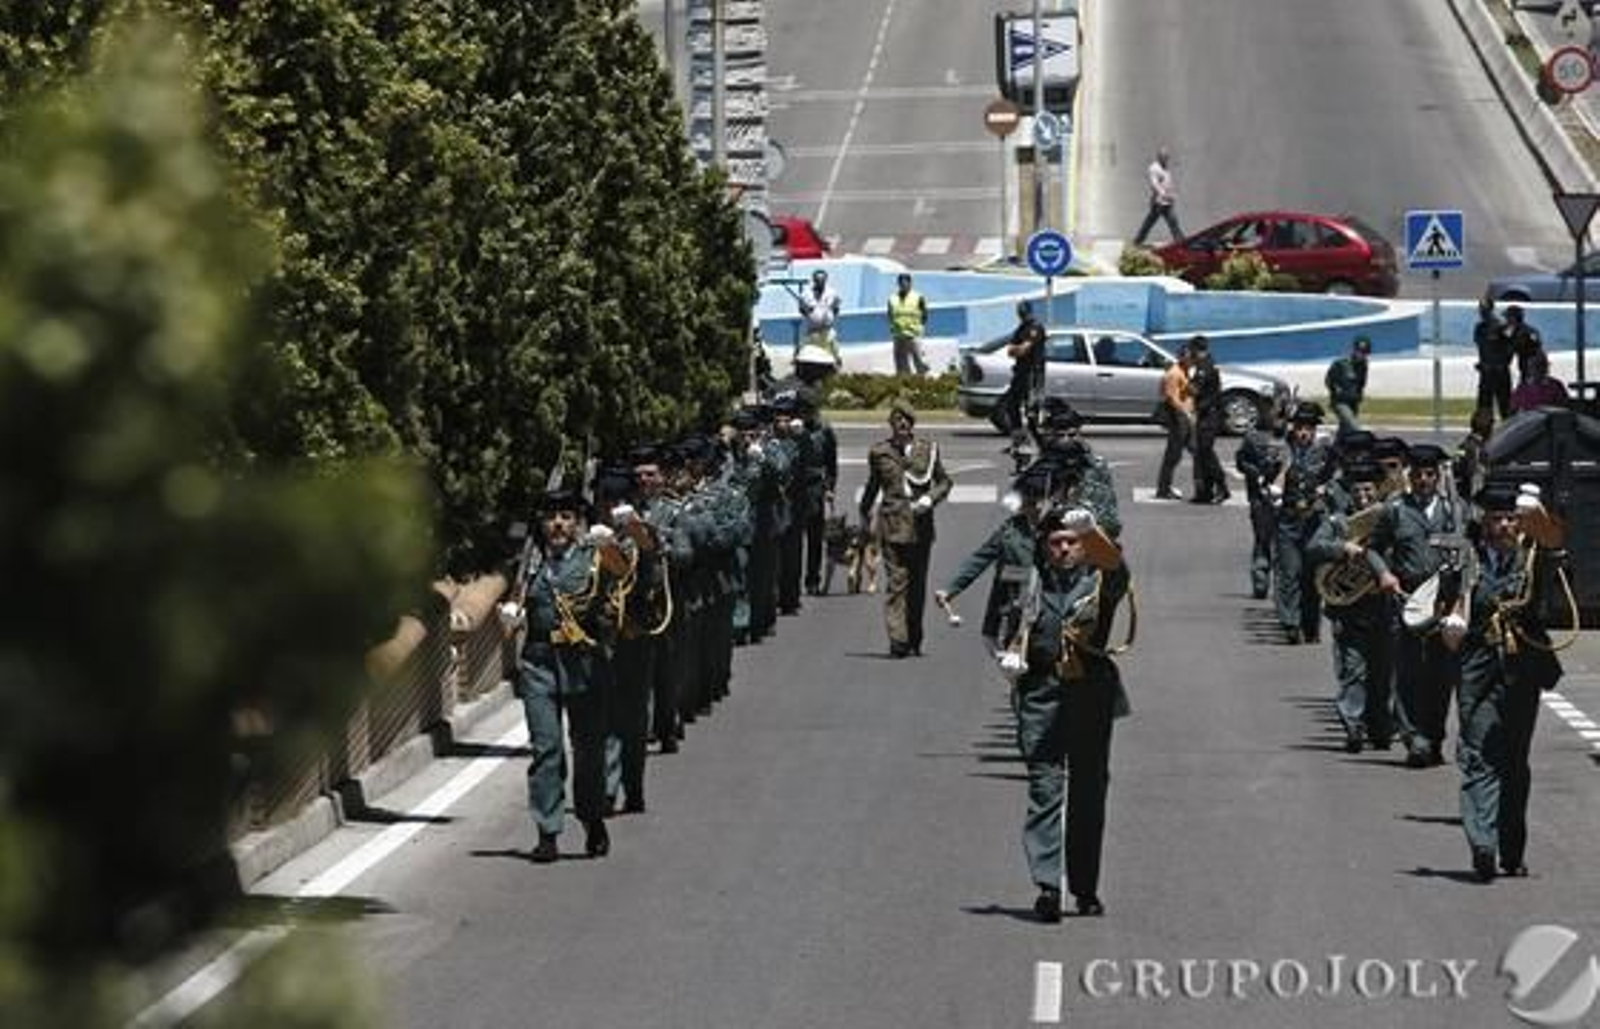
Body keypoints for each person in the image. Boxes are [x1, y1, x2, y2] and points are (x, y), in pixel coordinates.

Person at [998, 505, 1131, 922]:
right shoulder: (1026, 580)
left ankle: (1085, 887)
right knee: (1044, 790)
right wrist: (1006, 655)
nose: (1064, 549)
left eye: (1071, 543)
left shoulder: (1099, 581)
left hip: (1089, 694)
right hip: (1041, 694)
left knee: (1089, 794)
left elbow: (1120, 573)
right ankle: (1048, 887)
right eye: (1056, 542)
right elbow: (1002, 622)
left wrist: (1090, 531)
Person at [1445, 481, 1569, 881]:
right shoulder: (1467, 561)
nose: (1503, 526)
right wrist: (1451, 623)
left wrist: (1536, 517)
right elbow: (1445, 603)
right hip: (1478, 670)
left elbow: (1556, 542)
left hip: (1522, 672)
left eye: (1510, 519)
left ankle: (1511, 850)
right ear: (1484, 522)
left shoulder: (1534, 558)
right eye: (1496, 519)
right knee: (1479, 755)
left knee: (1514, 762)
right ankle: (1483, 843)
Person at [506, 485, 629, 863]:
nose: (557, 525)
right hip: (539, 662)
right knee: (547, 750)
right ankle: (547, 832)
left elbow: (626, 579)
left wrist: (614, 546)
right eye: (550, 518)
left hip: (583, 663)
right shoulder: (528, 561)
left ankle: (592, 818)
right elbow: (504, 588)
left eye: (565, 518)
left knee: (588, 750)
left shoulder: (594, 557)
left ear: (577, 523)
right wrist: (507, 609)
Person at [1368, 443, 1463, 769]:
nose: (1424, 480)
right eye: (1419, 475)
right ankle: (1413, 737)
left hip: (1444, 601)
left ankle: (1433, 736)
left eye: (1430, 475)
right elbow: (1373, 548)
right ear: (1410, 476)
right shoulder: (1395, 509)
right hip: (1405, 598)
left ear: (1437, 477)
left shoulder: (1455, 511)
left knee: (1440, 674)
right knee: (1408, 672)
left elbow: (1470, 551)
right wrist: (1384, 574)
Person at [1306, 460, 1399, 753]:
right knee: (1353, 669)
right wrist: (1341, 548)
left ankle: (1381, 726)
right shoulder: (1338, 521)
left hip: (1383, 605)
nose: (1363, 496)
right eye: (1358, 490)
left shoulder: (1390, 516)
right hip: (1350, 607)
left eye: (1369, 489)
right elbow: (1313, 547)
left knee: (1384, 672)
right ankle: (1353, 726)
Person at [859, 400, 952, 658]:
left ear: (913, 425)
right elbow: (873, 485)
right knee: (896, 584)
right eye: (898, 420)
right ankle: (898, 640)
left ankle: (914, 636)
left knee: (917, 586)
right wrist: (864, 513)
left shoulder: (928, 450)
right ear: (891, 423)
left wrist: (930, 498)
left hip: (921, 528)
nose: (902, 425)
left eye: (907, 421)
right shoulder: (880, 452)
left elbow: (945, 482)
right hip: (891, 526)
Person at [936, 462, 1048, 655]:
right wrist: (950, 589)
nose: (1033, 507)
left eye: (1037, 501)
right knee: (1008, 657)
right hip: (1014, 608)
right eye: (1028, 501)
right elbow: (980, 558)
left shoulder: (1060, 530)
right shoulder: (1010, 531)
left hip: (1047, 610)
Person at [1275, 402, 1336, 644]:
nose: (1303, 433)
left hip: (1314, 522)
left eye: (1308, 429)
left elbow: (1336, 478)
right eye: (1299, 428)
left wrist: (1326, 490)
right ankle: (1290, 623)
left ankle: (1310, 625)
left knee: (1311, 578)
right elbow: (1266, 476)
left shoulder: (1325, 454)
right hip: (1288, 519)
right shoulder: (1283, 449)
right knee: (1289, 573)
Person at [1235, 407, 1285, 600]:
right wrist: (1256, 474)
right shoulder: (1253, 438)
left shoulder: (1289, 439)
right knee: (1264, 538)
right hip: (1261, 497)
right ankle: (1261, 578)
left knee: (1278, 542)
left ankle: (1276, 582)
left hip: (1283, 497)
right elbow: (1241, 461)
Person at [1000, 300, 1048, 455]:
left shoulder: (1035, 328)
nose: (1020, 314)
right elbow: (1010, 350)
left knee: (1031, 411)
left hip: (1032, 374)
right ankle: (1018, 441)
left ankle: (1042, 445)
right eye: (1019, 311)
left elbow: (1023, 350)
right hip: (1020, 373)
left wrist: (1018, 349)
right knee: (1011, 406)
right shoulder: (1021, 328)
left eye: (1022, 311)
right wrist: (1017, 349)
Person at [1186, 335, 1228, 504]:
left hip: (1209, 416)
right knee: (1202, 455)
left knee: (1206, 453)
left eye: (1191, 350)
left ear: (1197, 350)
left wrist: (1186, 382)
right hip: (1206, 414)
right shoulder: (1205, 365)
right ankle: (1206, 492)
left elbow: (1194, 389)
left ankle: (1222, 487)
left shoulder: (1205, 367)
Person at [1155, 342, 1194, 500]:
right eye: (1189, 356)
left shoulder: (1185, 372)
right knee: (1173, 456)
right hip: (1179, 420)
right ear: (1182, 357)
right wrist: (1186, 414)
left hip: (1185, 419)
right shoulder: (1174, 373)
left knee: (1198, 452)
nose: (1192, 360)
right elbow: (1172, 398)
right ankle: (1163, 489)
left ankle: (1205, 484)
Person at [1132, 146, 1183, 246]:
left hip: (1167, 203)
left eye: (1167, 157)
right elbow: (1154, 184)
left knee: (1173, 223)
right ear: (1159, 157)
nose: (1167, 159)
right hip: (1158, 203)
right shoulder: (1154, 168)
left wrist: (1171, 194)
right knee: (1149, 223)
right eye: (1165, 157)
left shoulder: (1165, 167)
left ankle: (1181, 242)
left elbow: (1167, 183)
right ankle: (1137, 241)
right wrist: (1164, 195)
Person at [1473, 296, 1513, 421]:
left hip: (1500, 373)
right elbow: (1482, 349)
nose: (1482, 313)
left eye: (1485, 310)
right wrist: (1482, 363)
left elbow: (1510, 347)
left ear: (1491, 309)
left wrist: (1503, 363)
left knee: (1504, 405)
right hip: (1486, 373)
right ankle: (1483, 431)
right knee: (1484, 406)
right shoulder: (1479, 328)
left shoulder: (1502, 327)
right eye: (1481, 310)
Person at [886, 272, 931, 376]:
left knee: (919, 361)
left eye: (905, 282)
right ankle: (905, 383)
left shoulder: (918, 297)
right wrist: (893, 326)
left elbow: (925, 315)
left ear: (910, 283)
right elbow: (890, 315)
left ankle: (923, 382)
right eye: (901, 283)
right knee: (900, 363)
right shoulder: (892, 298)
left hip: (913, 335)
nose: (903, 285)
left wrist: (919, 328)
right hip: (898, 335)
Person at [1325, 336, 1371, 435]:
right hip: (1340, 403)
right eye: (1360, 352)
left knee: (1345, 430)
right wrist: (1336, 391)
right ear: (1354, 350)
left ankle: (1335, 447)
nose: (1362, 355)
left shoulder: (1363, 366)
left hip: (1353, 402)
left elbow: (1362, 383)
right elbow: (1328, 380)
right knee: (1354, 427)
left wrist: (1359, 396)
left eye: (1365, 353)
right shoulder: (1341, 364)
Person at [798, 269, 842, 363]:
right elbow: (801, 309)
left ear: (826, 280)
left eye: (823, 280)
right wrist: (810, 315)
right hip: (812, 330)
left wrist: (831, 318)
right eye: (818, 280)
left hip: (827, 329)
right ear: (814, 280)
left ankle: (837, 361)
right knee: (807, 349)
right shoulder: (806, 294)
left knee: (833, 347)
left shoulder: (832, 293)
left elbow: (836, 307)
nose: (820, 282)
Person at [1503, 305, 1543, 384]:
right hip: (1526, 366)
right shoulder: (1513, 331)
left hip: (1532, 366)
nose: (1506, 320)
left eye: (1507, 317)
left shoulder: (1527, 332)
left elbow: (1537, 348)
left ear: (1514, 318)